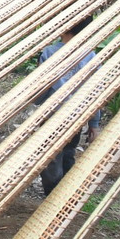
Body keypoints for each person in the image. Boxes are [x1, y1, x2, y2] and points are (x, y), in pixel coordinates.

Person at [36, 15, 101, 197]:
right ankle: (66, 195)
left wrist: (36, 105)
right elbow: (96, 91)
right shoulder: (91, 56)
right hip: (77, 115)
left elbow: (40, 89)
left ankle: (53, 195)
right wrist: (94, 124)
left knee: (50, 158)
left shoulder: (49, 53)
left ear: (64, 28)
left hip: (53, 115)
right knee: (68, 153)